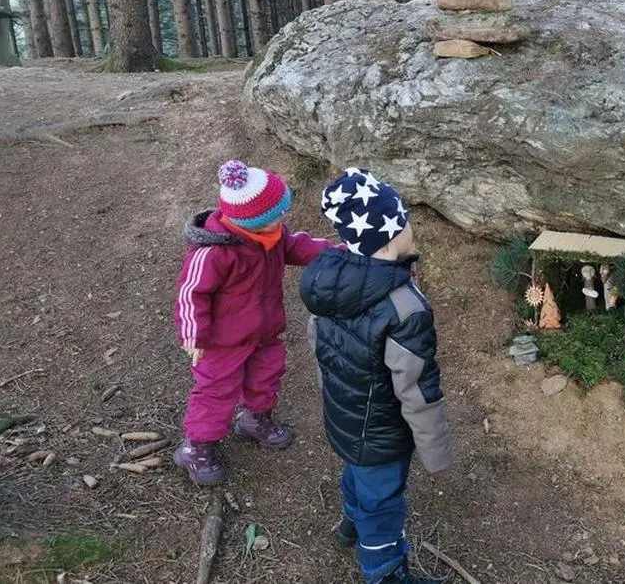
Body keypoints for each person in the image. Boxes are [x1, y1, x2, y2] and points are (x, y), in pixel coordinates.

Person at [301, 168, 452, 584]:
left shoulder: (327, 281)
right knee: (383, 501)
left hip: (345, 417)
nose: (411, 228)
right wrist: (436, 451)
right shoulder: (403, 307)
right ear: (387, 239)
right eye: (405, 222)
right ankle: (384, 570)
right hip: (382, 430)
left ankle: (351, 524)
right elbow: (417, 387)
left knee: (356, 472)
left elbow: (321, 350)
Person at [173, 160, 336, 485]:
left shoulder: (270, 234)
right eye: (278, 212)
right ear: (252, 219)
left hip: (264, 331)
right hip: (222, 341)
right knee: (216, 391)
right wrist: (193, 334)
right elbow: (192, 293)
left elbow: (297, 245)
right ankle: (197, 446)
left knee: (267, 375)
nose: (283, 218)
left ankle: (255, 418)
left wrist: (333, 254)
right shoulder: (214, 252)